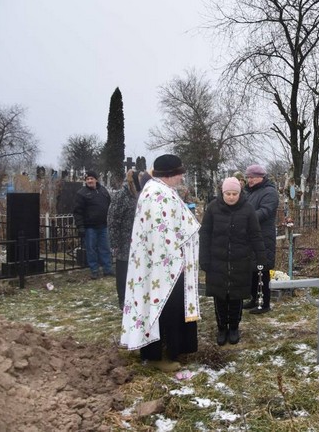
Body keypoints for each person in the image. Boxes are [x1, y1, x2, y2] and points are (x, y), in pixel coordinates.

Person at [120, 154, 200, 372]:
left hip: (167, 264)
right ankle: (160, 355)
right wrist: (175, 258)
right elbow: (160, 233)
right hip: (164, 267)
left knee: (170, 308)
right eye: (180, 173)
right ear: (170, 174)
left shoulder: (160, 190)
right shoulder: (156, 194)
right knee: (164, 308)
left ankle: (172, 349)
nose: (182, 177)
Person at [200, 178, 267, 346]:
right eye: (228, 194)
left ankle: (234, 327)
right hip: (217, 261)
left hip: (240, 261)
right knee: (220, 297)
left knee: (236, 297)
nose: (231, 197)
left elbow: (255, 235)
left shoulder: (248, 209)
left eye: (234, 194)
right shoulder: (213, 208)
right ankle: (222, 327)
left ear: (239, 193)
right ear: (222, 193)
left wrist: (261, 256)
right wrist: (204, 258)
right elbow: (205, 234)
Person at [107, 169, 150, 308]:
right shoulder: (122, 195)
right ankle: (123, 298)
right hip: (124, 239)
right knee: (123, 270)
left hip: (139, 238)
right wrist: (115, 242)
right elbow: (113, 219)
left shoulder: (141, 194)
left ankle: (136, 294)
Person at [242, 164, 279, 314]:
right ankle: (254, 298)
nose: (249, 180)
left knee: (261, 271)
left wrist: (244, 218)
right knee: (252, 270)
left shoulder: (269, 192)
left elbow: (265, 211)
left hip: (263, 237)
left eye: (252, 177)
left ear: (261, 177)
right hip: (251, 237)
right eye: (248, 177)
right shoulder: (250, 192)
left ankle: (264, 304)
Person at [73, 170, 112, 279]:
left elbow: (109, 205)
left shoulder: (103, 191)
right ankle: (94, 270)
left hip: (103, 225)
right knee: (91, 250)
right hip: (89, 227)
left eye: (91, 178)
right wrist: (80, 227)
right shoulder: (81, 193)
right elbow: (77, 212)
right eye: (87, 179)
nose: (89, 181)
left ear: (96, 179)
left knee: (105, 248)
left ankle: (107, 269)